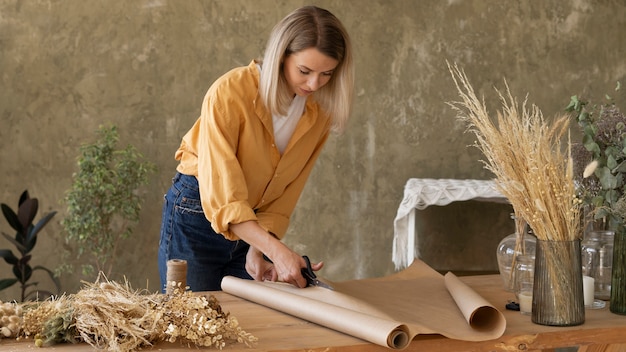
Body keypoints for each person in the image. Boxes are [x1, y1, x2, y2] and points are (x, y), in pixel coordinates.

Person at [158, 5, 354, 292]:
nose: (314, 83)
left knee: (247, 327)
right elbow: (224, 199)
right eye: (305, 71)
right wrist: (277, 251)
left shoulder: (319, 113)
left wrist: (258, 250)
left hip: (253, 228)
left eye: (326, 74)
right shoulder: (229, 93)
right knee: (190, 323)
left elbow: (286, 193)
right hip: (195, 216)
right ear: (281, 56)